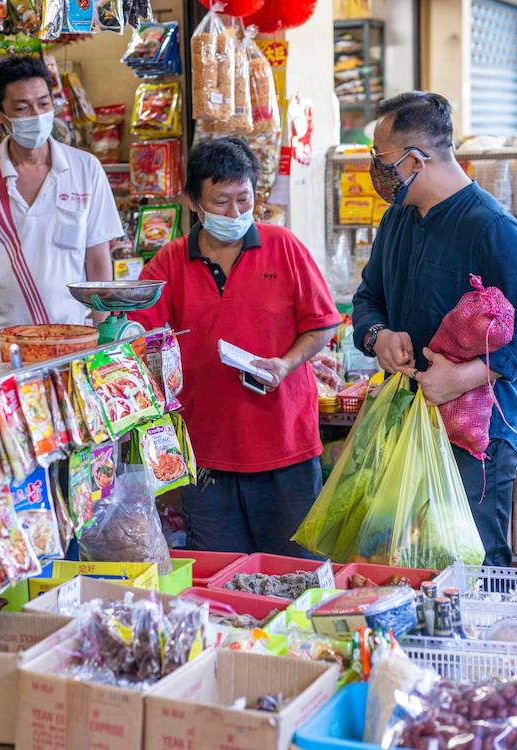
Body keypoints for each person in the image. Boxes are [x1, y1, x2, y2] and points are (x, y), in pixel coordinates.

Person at [352, 91, 517, 567]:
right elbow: (367, 301)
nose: (375, 170)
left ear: (415, 159)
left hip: (476, 438)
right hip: (405, 423)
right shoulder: (397, 221)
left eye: (381, 159)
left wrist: (466, 377)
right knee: (408, 560)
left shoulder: (491, 226)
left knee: (473, 564)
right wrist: (378, 336)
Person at [130, 137, 341, 556]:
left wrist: (285, 364)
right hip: (206, 454)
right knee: (220, 578)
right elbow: (139, 333)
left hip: (286, 447)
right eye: (222, 202)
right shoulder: (169, 262)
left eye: (244, 199)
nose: (236, 212)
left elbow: (322, 326)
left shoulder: (284, 246)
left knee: (297, 573)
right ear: (194, 201)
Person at [0, 55, 123, 361]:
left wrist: (101, 343)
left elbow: (98, 261)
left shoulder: (85, 169)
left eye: (43, 103)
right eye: (22, 108)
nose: (36, 115)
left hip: (73, 344)